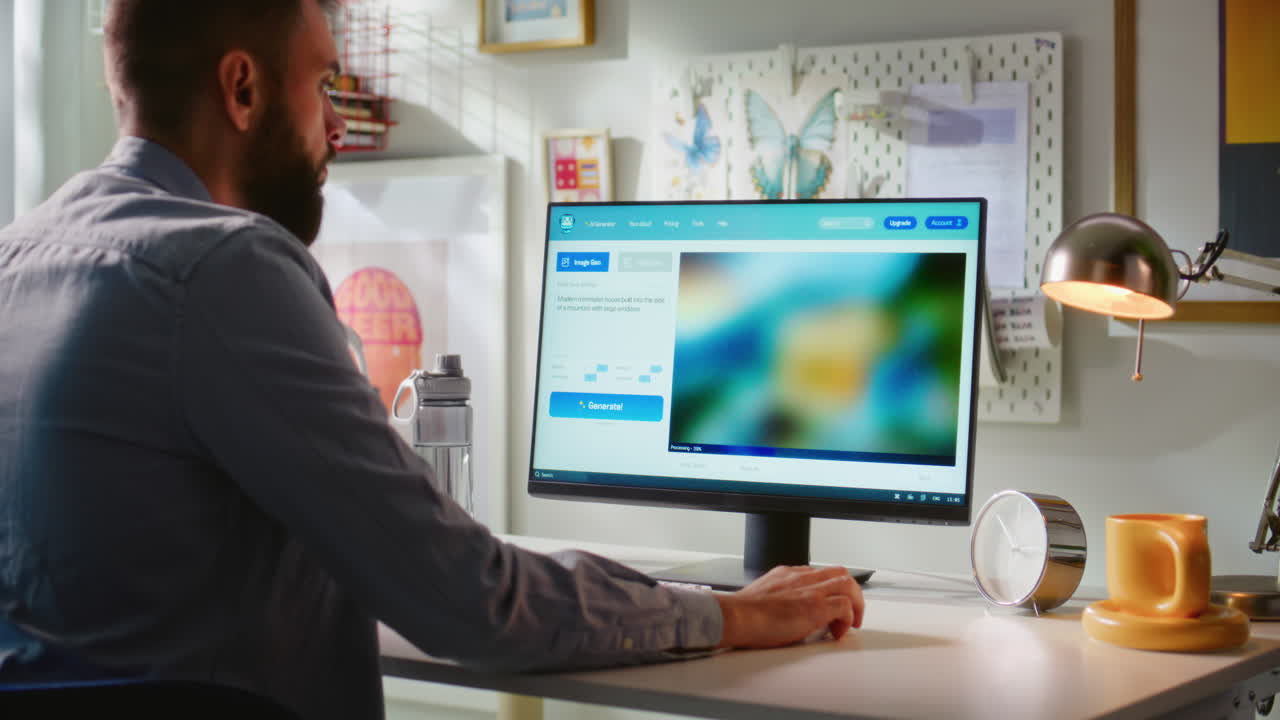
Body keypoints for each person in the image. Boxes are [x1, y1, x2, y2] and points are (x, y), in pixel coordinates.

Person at [0, 1, 864, 718]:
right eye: (323, 82)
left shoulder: (19, 256)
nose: (337, 122)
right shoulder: (227, 267)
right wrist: (731, 617)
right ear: (243, 87)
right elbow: (471, 602)